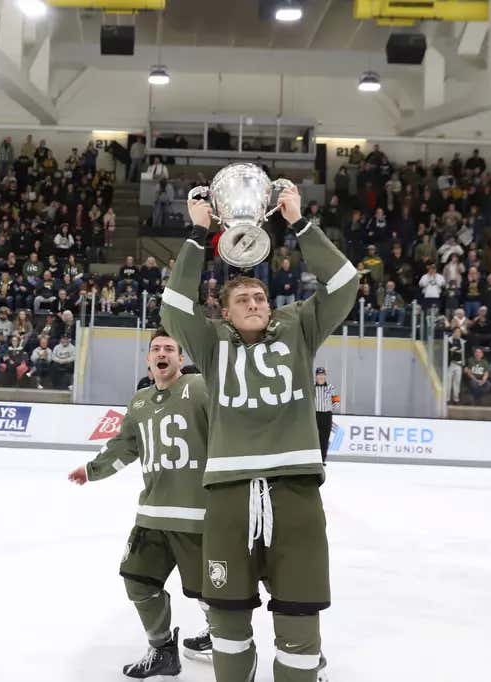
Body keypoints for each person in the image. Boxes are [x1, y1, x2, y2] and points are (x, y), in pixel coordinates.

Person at [161, 183, 355, 682]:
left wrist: (299, 222)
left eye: (260, 294)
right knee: (226, 616)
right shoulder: (209, 345)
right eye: (242, 297)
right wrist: (199, 232)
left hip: (295, 489)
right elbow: (175, 305)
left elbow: (344, 284)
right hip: (228, 494)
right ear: (223, 313)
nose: (254, 300)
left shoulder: (298, 327)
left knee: (299, 614)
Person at [67, 329, 212, 676]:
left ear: (180, 358)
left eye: (170, 349)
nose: (162, 353)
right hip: (152, 514)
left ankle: (220, 635)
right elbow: (125, 446)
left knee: (209, 592)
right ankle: (162, 650)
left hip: (199, 516)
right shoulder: (140, 401)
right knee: (137, 580)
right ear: (148, 360)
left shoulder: (202, 388)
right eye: (156, 349)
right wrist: (92, 469)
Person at [313, 368, 339, 464]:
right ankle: (314, 459)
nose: (321, 377)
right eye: (319, 375)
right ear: (316, 376)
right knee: (315, 438)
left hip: (327, 415)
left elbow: (336, 401)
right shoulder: (312, 387)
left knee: (325, 437)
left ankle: (322, 459)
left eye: (322, 375)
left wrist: (333, 406)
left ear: (325, 376)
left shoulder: (331, 387)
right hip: (315, 415)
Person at [446, 327, 466, 404]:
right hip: (450, 364)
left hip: (459, 364)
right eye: (456, 332)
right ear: (453, 332)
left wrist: (464, 365)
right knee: (448, 382)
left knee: (457, 382)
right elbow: (447, 351)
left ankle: (456, 399)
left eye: (459, 332)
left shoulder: (462, 342)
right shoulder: (448, 340)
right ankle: (447, 399)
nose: (458, 333)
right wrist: (452, 350)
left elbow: (464, 354)